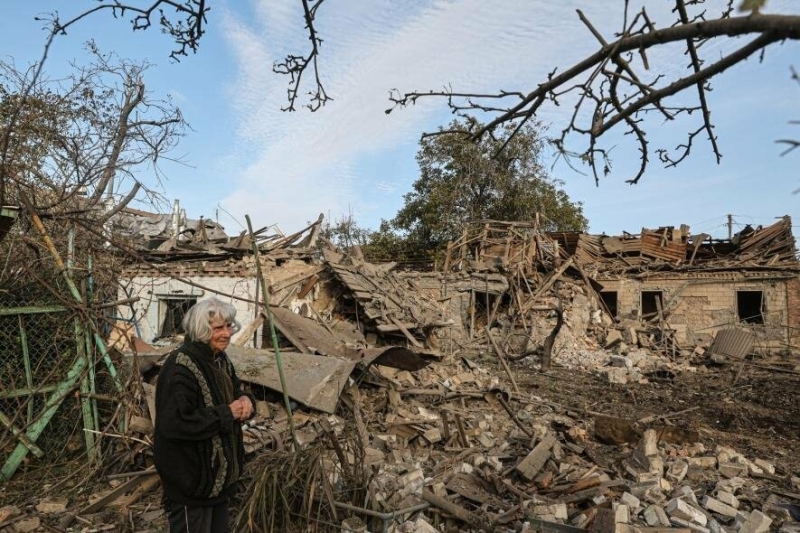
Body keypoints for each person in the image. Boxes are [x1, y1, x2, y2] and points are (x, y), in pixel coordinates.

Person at [154, 297, 255, 533]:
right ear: (201, 330)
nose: (227, 333)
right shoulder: (181, 367)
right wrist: (226, 413)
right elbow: (176, 424)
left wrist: (245, 401)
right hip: (192, 482)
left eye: (229, 325)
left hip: (217, 484)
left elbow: (235, 391)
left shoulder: (220, 360)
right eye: (218, 328)